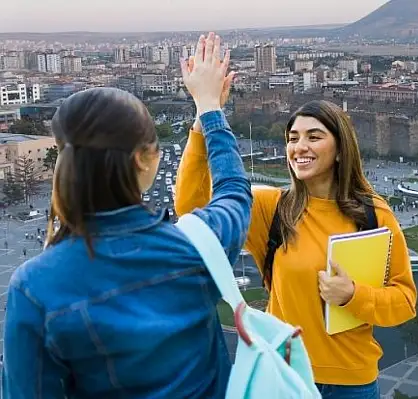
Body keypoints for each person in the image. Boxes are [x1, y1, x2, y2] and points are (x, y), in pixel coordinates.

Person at [2, 32, 252, 398]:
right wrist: (209, 110)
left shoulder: (34, 287)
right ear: (143, 160)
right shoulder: (195, 248)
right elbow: (234, 192)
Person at [175, 99, 417, 398]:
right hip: (283, 378)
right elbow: (193, 207)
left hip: (352, 385)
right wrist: (202, 123)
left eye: (314, 137)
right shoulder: (271, 208)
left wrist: (352, 295)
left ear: (341, 149)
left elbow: (404, 301)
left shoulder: (373, 215)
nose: (299, 147)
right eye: (293, 139)